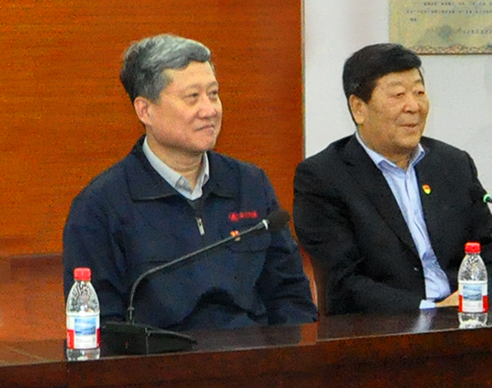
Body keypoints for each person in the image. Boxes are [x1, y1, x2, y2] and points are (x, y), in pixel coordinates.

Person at [62, 34, 317, 330]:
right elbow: (100, 324)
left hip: (254, 353)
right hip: (161, 357)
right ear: (145, 110)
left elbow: (291, 296)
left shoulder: (248, 184)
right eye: (192, 97)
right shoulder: (101, 206)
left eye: (213, 94)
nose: (210, 110)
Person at [292, 43, 492, 314]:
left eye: (419, 92)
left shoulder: (453, 165)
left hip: (466, 319)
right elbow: (343, 283)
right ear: (358, 108)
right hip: (387, 329)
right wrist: (431, 312)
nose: (414, 106)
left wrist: (473, 301)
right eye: (398, 95)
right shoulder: (323, 177)